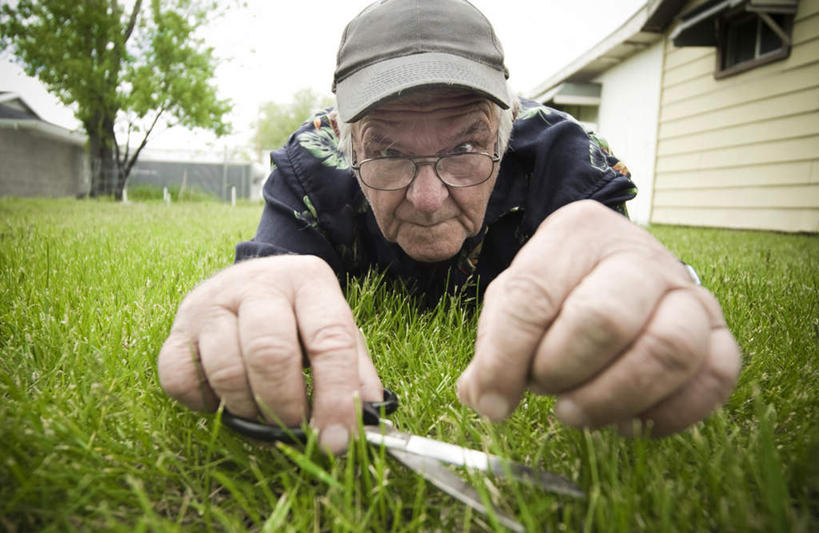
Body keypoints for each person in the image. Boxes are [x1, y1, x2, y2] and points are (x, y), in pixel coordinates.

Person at [158, 0, 741, 453]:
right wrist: (251, 299)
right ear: (341, 135)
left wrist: (663, 289)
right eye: (386, 152)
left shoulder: (565, 160)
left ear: (509, 124)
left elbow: (618, 272)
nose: (430, 199)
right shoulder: (311, 165)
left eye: (466, 145)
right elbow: (271, 279)